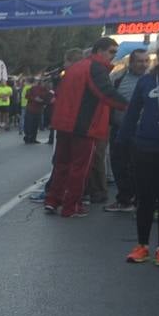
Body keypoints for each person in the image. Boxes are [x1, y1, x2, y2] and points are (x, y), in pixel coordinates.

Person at [42, 37, 127, 218]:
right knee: (80, 168)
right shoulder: (96, 68)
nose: (114, 56)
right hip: (84, 126)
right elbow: (105, 92)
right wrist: (130, 106)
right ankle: (71, 206)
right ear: (100, 50)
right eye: (112, 51)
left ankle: (52, 200)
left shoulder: (75, 68)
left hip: (65, 123)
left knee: (61, 165)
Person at [119, 34, 159, 266]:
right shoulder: (146, 82)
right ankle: (142, 245)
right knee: (144, 198)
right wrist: (123, 141)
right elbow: (133, 112)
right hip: (145, 146)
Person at [105, 49, 150, 213]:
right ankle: (125, 199)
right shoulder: (117, 79)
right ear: (131, 63)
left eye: (146, 61)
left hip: (143, 132)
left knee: (139, 167)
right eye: (140, 61)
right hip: (120, 130)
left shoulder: (152, 79)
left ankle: (140, 200)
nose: (143, 64)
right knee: (119, 165)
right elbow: (107, 99)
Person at [24, 77, 52, 143]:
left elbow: (48, 99)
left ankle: (33, 138)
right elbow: (27, 95)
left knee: (35, 125)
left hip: (38, 110)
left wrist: (42, 101)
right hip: (31, 109)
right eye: (43, 83)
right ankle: (28, 137)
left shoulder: (46, 90)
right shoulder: (33, 88)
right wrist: (34, 99)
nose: (44, 84)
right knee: (29, 124)